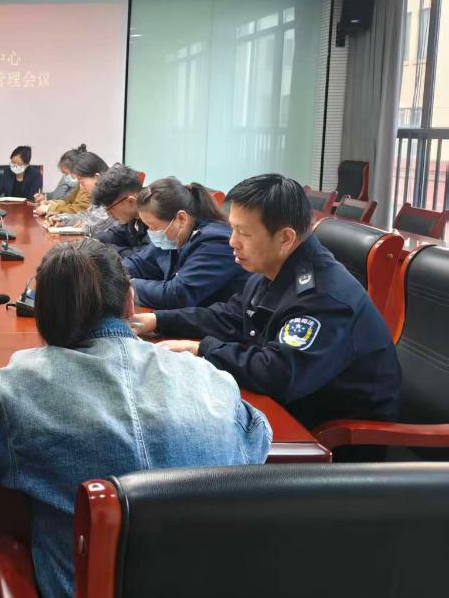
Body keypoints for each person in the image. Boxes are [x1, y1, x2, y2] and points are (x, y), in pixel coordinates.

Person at [0, 239, 271, 598]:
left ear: (44, 313)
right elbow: (256, 442)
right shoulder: (207, 378)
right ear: (130, 302)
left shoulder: (20, 385)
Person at [131, 173, 401, 430]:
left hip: (328, 438)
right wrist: (159, 320)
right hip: (288, 410)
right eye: (233, 229)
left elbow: (278, 373)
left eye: (243, 233)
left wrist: (202, 350)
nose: (232, 242)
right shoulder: (274, 270)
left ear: (285, 238)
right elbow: (230, 316)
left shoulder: (324, 299)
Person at [120, 177, 251, 309]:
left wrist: (126, 286)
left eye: (154, 226)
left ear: (181, 218)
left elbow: (178, 294)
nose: (151, 232)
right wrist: (113, 273)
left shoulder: (216, 243)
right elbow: (139, 263)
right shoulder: (173, 236)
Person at [43, 152, 112, 236]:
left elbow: (103, 225)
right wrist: (61, 219)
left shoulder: (112, 196)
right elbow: (86, 216)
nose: (81, 187)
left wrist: (86, 226)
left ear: (97, 177)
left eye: (82, 182)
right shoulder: (98, 196)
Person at [90, 163, 149, 256]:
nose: (109, 214)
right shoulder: (131, 217)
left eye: (110, 208)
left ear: (130, 201)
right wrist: (90, 240)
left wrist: (106, 249)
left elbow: (142, 259)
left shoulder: (156, 217)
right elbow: (115, 235)